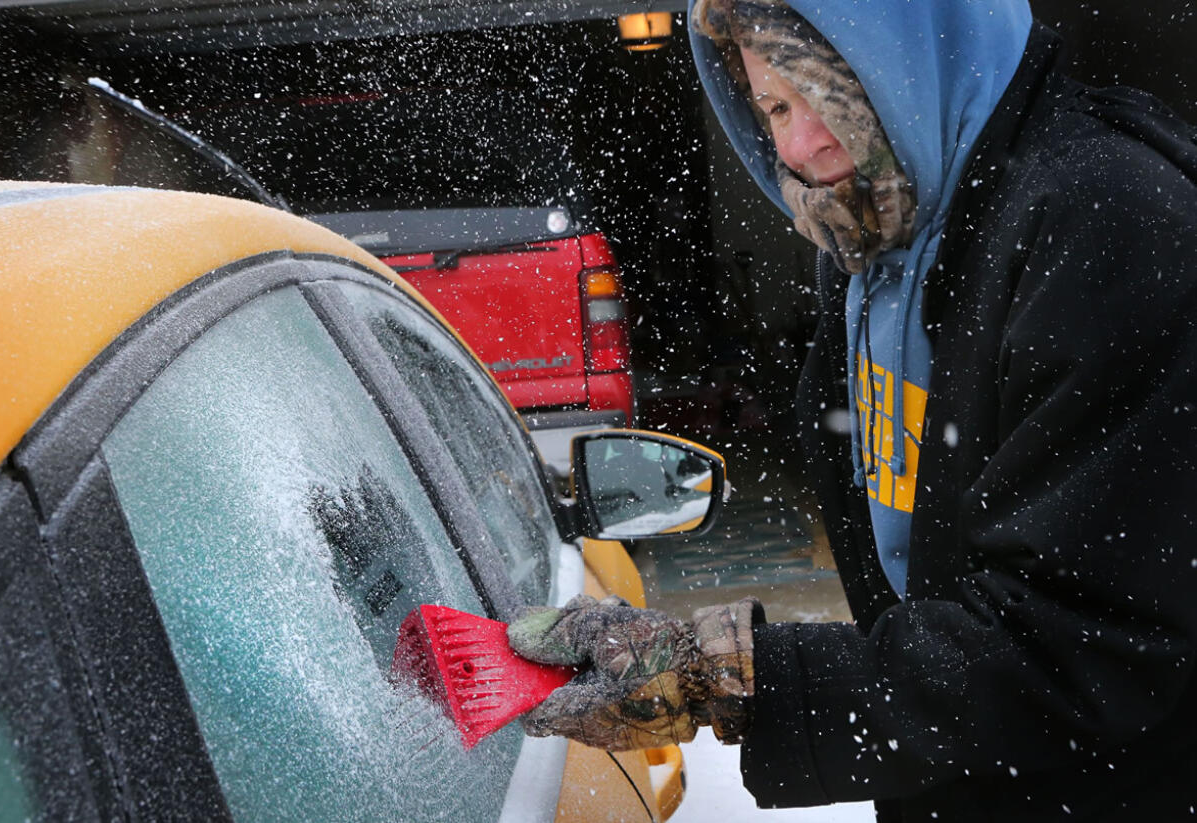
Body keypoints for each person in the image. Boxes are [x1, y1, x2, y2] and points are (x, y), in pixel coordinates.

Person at [506, 0, 1197, 819]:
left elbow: (1077, 637)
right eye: (773, 109)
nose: (799, 148)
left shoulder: (1106, 221)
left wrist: (727, 674)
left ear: (912, 54)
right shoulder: (879, 239)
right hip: (959, 784)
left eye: (820, 90)